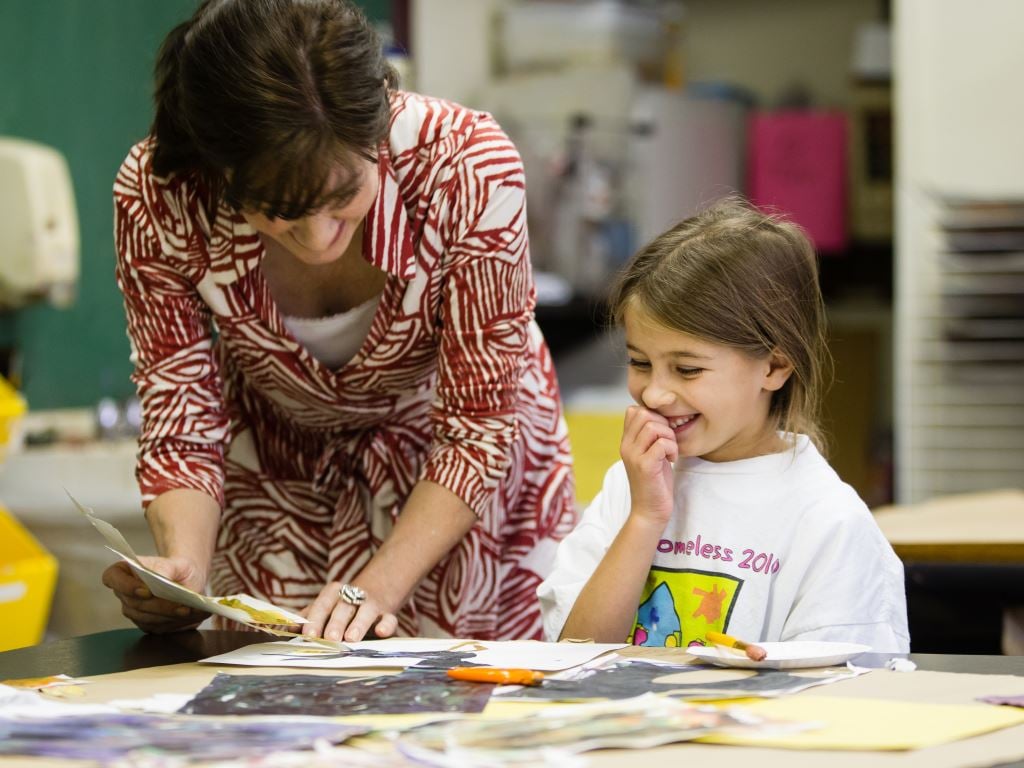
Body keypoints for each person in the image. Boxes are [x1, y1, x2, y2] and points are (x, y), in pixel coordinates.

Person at [102, 0, 577, 643]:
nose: (319, 237)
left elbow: (478, 426)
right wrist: (183, 571)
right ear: (220, 171)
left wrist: (373, 590)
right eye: (277, 210)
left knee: (461, 705)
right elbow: (181, 412)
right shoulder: (162, 192)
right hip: (280, 467)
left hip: (456, 474)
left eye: (343, 199)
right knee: (278, 697)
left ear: (378, 129)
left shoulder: (467, 166)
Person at [537, 199, 909, 653]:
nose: (655, 394)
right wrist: (644, 518)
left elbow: (850, 695)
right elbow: (574, 653)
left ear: (774, 366)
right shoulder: (629, 487)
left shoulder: (827, 520)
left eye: (688, 370)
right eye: (639, 362)